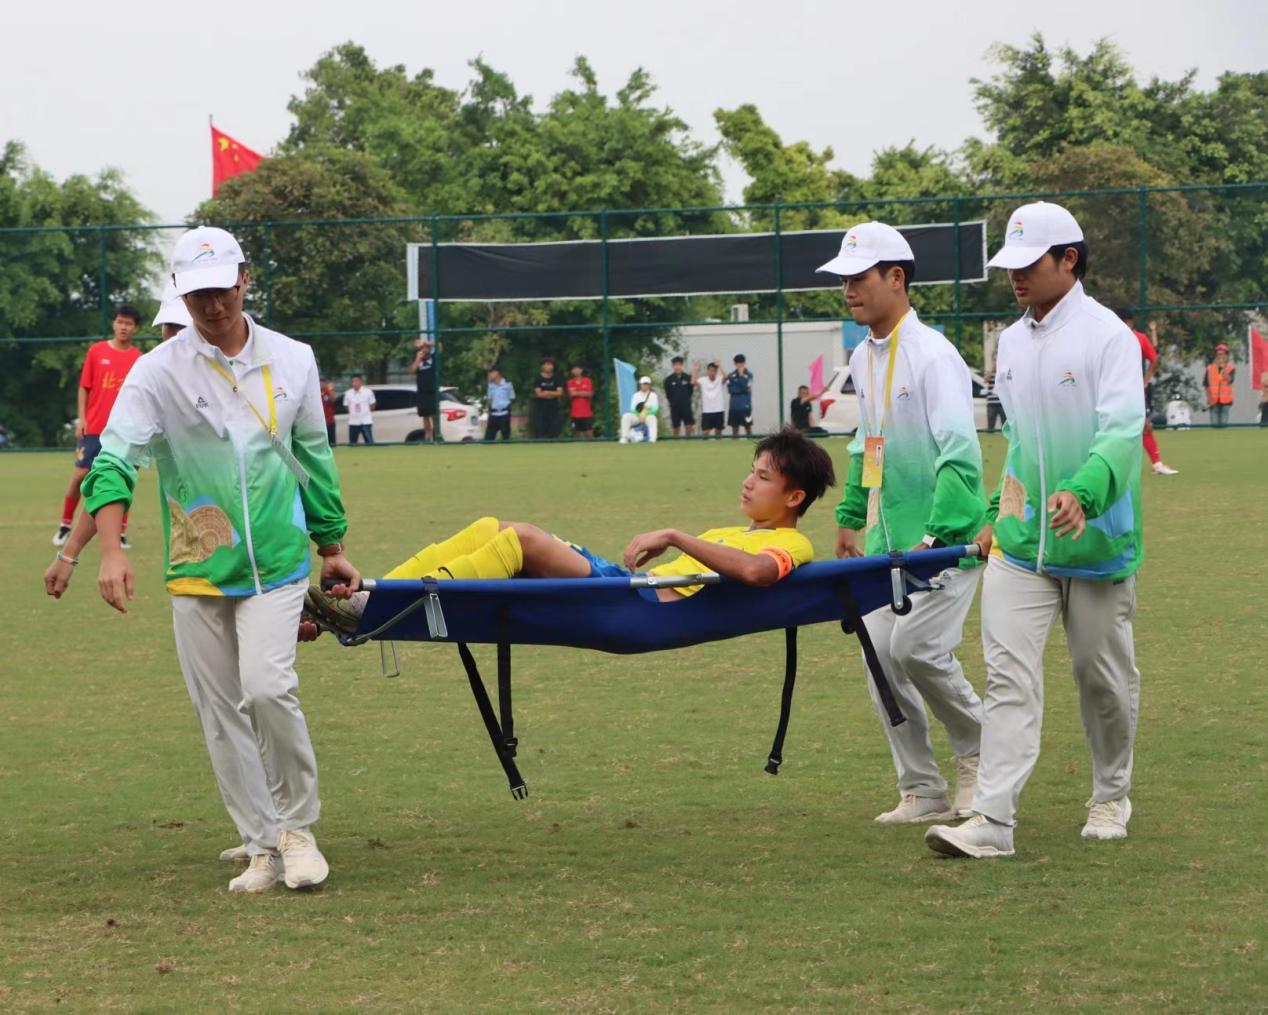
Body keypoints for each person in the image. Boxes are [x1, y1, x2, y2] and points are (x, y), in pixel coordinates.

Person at [78, 225, 358, 892]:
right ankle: (262, 844)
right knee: (219, 710)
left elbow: (312, 456)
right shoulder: (156, 371)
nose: (212, 305)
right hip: (198, 564)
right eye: (198, 293)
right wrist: (110, 550)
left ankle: (297, 830)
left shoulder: (293, 358)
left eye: (222, 288)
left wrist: (332, 545)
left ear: (245, 279)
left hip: (279, 559)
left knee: (266, 688)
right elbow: (114, 460)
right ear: (182, 293)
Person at [925, 202, 1145, 860]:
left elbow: (1121, 433)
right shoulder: (1011, 342)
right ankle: (993, 821)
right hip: (1021, 547)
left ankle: (1111, 793)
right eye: (1009, 265)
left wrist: (1083, 494)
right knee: (1007, 680)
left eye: (1028, 263)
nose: (1014, 277)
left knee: (1101, 679)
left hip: (1096, 544)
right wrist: (1000, 511)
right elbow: (1021, 444)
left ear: (1068, 260)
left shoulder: (1108, 337)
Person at [302, 426, 837, 638]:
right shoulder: (729, 529)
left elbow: (757, 573)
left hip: (640, 608)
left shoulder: (793, 542)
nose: (747, 482)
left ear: (794, 498)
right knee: (494, 526)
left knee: (521, 541)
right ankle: (369, 594)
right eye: (751, 471)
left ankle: (378, 608)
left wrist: (675, 535)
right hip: (624, 587)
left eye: (762, 477)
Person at [819, 221, 987, 826]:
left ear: (896, 277)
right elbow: (871, 444)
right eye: (843, 280)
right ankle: (921, 788)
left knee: (917, 648)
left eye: (858, 278)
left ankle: (981, 754)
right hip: (887, 544)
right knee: (879, 656)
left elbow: (960, 454)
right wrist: (851, 516)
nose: (848, 290)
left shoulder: (934, 355)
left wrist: (937, 536)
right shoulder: (862, 356)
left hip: (945, 543)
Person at [52, 303, 144, 548]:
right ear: (113, 323)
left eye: (129, 324)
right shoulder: (96, 351)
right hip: (94, 428)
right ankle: (65, 525)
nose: (123, 327)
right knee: (80, 475)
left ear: (135, 328)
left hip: (123, 431)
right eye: (120, 322)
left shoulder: (138, 359)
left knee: (122, 479)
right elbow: (84, 387)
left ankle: (120, 532)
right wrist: (82, 419)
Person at [1116, 309, 1177, 475]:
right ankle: (1155, 464)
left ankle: (1157, 464)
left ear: (1129, 322)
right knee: (1128, 426)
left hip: (1130, 390)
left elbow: (1154, 358)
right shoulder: (1115, 337)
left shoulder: (1136, 338)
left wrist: (1145, 381)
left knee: (1143, 425)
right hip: (1120, 390)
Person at [410, 338, 438, 442]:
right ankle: (428, 436)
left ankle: (437, 435)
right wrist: (418, 359)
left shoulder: (433, 358)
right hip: (422, 392)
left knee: (434, 415)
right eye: (422, 348)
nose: (424, 350)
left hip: (432, 391)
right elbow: (412, 370)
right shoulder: (418, 360)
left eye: (426, 348)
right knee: (425, 416)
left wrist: (428, 343)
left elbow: (439, 346)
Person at [620, 376, 660, 443]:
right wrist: (640, 415)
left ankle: (652, 439)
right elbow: (632, 409)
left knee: (652, 418)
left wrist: (645, 414)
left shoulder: (653, 395)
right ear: (640, 385)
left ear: (649, 385)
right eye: (643, 384)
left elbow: (655, 408)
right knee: (626, 416)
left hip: (647, 416)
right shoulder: (636, 395)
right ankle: (624, 437)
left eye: (647, 384)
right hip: (637, 416)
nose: (645, 386)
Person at [531, 357, 564, 438]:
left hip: (553, 405)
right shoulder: (538, 378)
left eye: (551, 365)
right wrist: (552, 393)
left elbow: (559, 392)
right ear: (542, 366)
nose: (549, 367)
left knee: (554, 424)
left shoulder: (557, 378)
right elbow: (539, 394)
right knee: (541, 424)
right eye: (547, 364)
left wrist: (548, 392)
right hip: (541, 406)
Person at [664, 356, 696, 436]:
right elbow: (668, 394)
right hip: (675, 407)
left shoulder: (687, 377)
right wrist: (673, 402)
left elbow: (692, 385)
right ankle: (676, 441)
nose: (677, 367)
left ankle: (689, 441)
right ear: (672, 366)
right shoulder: (668, 380)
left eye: (679, 365)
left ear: (682, 366)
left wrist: (695, 369)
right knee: (676, 427)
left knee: (688, 426)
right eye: (675, 365)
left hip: (686, 406)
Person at [1206, 344, 1235, 428]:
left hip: (1226, 400)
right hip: (1213, 400)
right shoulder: (1209, 368)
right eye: (1218, 354)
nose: (1220, 356)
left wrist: (1222, 369)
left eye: (1222, 354)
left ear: (1226, 355)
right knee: (1214, 424)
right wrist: (1208, 398)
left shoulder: (1230, 368)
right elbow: (1206, 384)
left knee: (1223, 424)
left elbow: (1230, 380)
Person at [726, 354, 754, 436]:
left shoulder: (749, 375)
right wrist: (741, 389)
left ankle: (750, 442)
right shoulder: (731, 375)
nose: (740, 365)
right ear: (735, 364)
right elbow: (730, 390)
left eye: (741, 363)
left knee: (748, 428)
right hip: (734, 406)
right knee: (735, 429)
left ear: (744, 363)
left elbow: (746, 388)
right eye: (738, 363)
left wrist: (741, 377)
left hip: (745, 407)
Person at [696, 360, 726, 437]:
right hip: (707, 411)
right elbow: (693, 382)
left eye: (714, 371)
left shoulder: (719, 379)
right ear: (708, 371)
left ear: (716, 371)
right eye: (710, 370)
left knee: (718, 433)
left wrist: (720, 365)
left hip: (719, 410)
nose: (712, 373)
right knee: (705, 433)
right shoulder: (703, 380)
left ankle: (718, 444)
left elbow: (726, 377)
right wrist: (695, 369)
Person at [485, 366, 515, 441]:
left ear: (497, 373)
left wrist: (506, 406)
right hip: (493, 414)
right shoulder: (490, 386)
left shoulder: (507, 384)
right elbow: (489, 399)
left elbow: (511, 398)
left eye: (491, 373)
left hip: (504, 414)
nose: (489, 375)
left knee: (505, 437)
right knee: (488, 439)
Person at [344, 373, 375, 444]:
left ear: (361, 382)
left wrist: (365, 412)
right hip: (353, 421)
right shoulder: (348, 393)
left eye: (356, 381)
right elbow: (346, 405)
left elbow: (372, 404)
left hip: (366, 421)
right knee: (353, 442)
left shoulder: (368, 392)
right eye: (353, 382)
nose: (355, 383)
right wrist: (353, 412)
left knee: (369, 442)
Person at [566, 363, 595, 438]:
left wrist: (577, 393)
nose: (576, 371)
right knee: (576, 433)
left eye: (578, 369)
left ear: (581, 370)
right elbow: (571, 394)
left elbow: (589, 394)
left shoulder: (587, 381)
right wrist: (582, 392)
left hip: (586, 413)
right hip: (575, 413)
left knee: (589, 433)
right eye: (574, 369)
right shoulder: (570, 382)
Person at [320, 379, 337, 446]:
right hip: (319, 422)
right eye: (320, 382)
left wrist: (330, 390)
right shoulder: (315, 392)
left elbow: (333, 400)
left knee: (332, 441)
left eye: (323, 382)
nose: (321, 384)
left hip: (329, 420)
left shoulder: (328, 391)